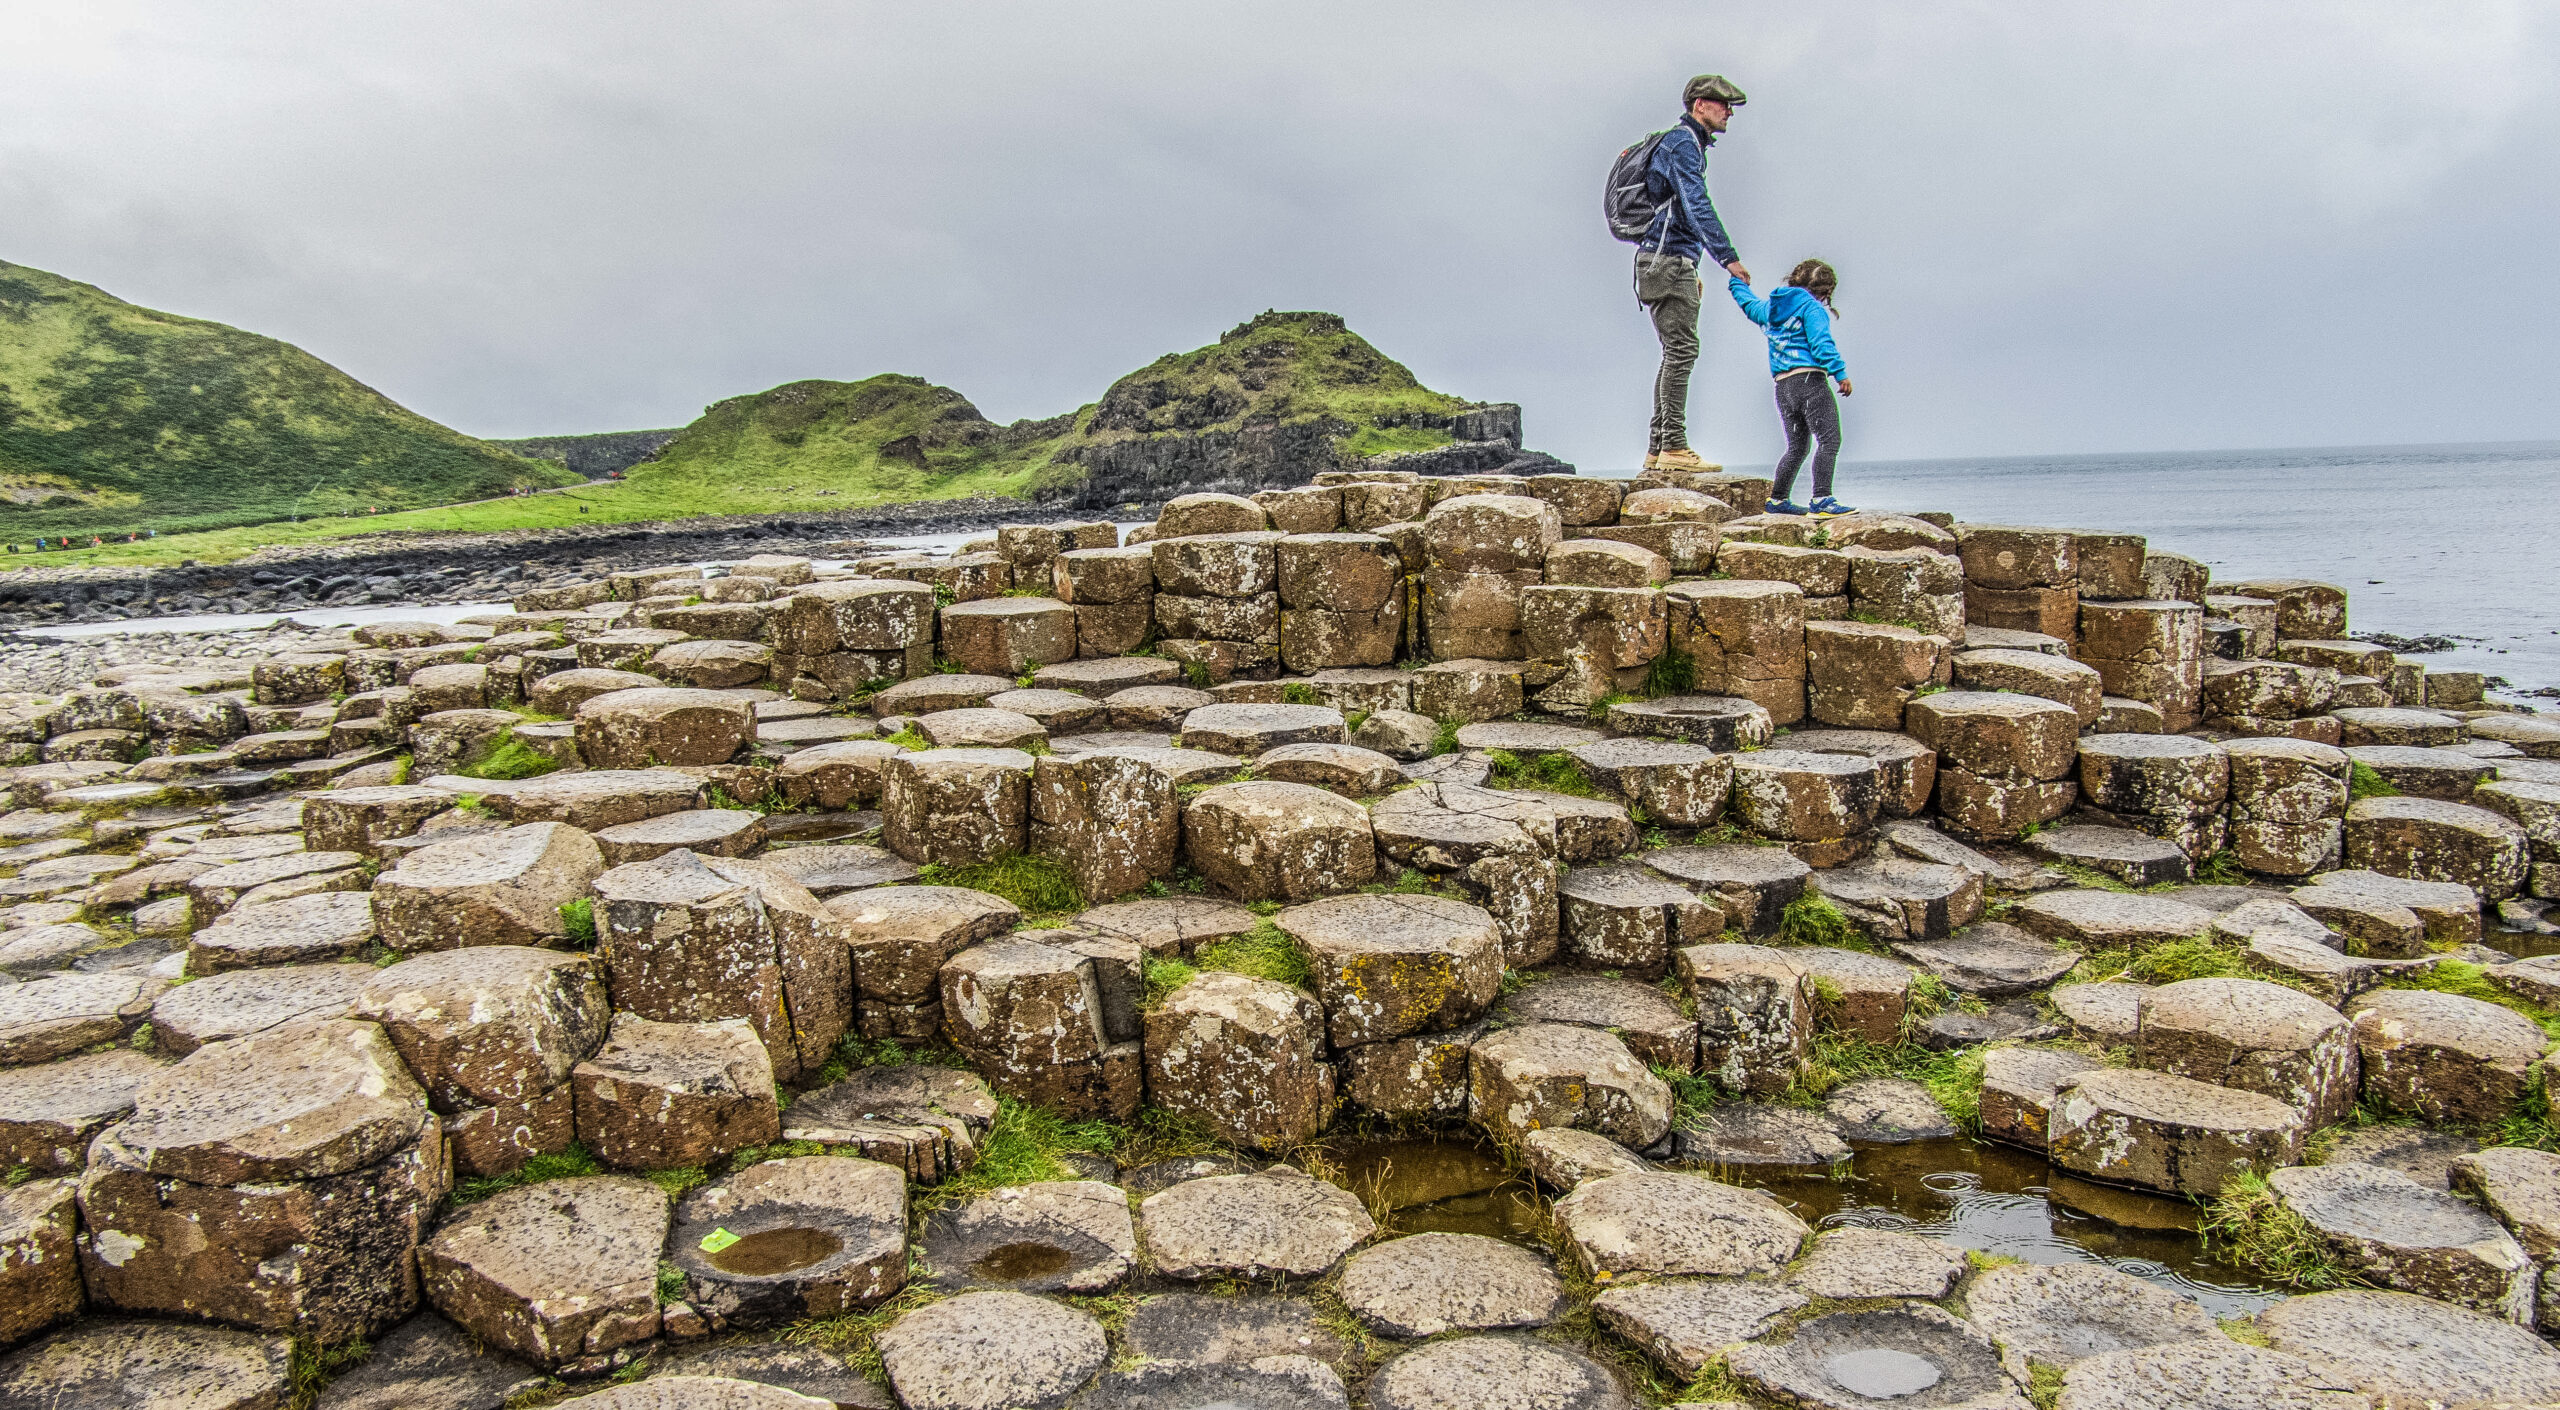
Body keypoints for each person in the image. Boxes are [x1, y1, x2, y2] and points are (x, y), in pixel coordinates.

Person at [1635, 73, 1750, 473]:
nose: (1729, 111)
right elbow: (1695, 202)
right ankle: (1675, 447)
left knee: (1674, 353)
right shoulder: (1683, 143)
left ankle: (1657, 450)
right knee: (1683, 352)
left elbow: (1677, 212)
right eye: (1722, 104)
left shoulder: (1685, 144)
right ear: (1699, 105)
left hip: (1663, 260)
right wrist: (1727, 257)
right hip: (1666, 261)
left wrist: (1693, 262)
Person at [1729, 258, 1855, 517]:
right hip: (1810, 381)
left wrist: (1736, 282)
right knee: (1829, 440)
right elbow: (1821, 344)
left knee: (1797, 447)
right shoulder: (1812, 309)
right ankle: (1822, 499)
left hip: (1783, 387)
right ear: (1825, 291)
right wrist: (1840, 373)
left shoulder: (1772, 309)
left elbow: (1749, 304)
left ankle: (1777, 501)